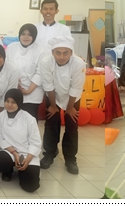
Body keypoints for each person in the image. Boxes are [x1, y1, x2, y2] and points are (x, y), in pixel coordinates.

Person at [38, 35, 85, 174]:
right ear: (52, 52)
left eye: (66, 53)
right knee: (51, 123)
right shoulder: (46, 62)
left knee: (72, 126)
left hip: (73, 98)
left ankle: (70, 159)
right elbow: (48, 85)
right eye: (58, 53)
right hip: (53, 95)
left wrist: (70, 108)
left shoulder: (78, 63)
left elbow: (76, 87)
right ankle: (49, 153)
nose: (62, 57)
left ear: (71, 52)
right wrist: (53, 106)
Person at [0, 89, 41, 192]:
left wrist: (27, 159)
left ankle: (23, 171)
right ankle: (8, 170)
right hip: (10, 152)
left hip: (26, 153)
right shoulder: (0, 117)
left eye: (13, 102)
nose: (9, 105)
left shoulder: (29, 118)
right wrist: (15, 154)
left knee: (31, 187)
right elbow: (0, 138)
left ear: (19, 102)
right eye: (7, 101)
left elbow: (36, 142)